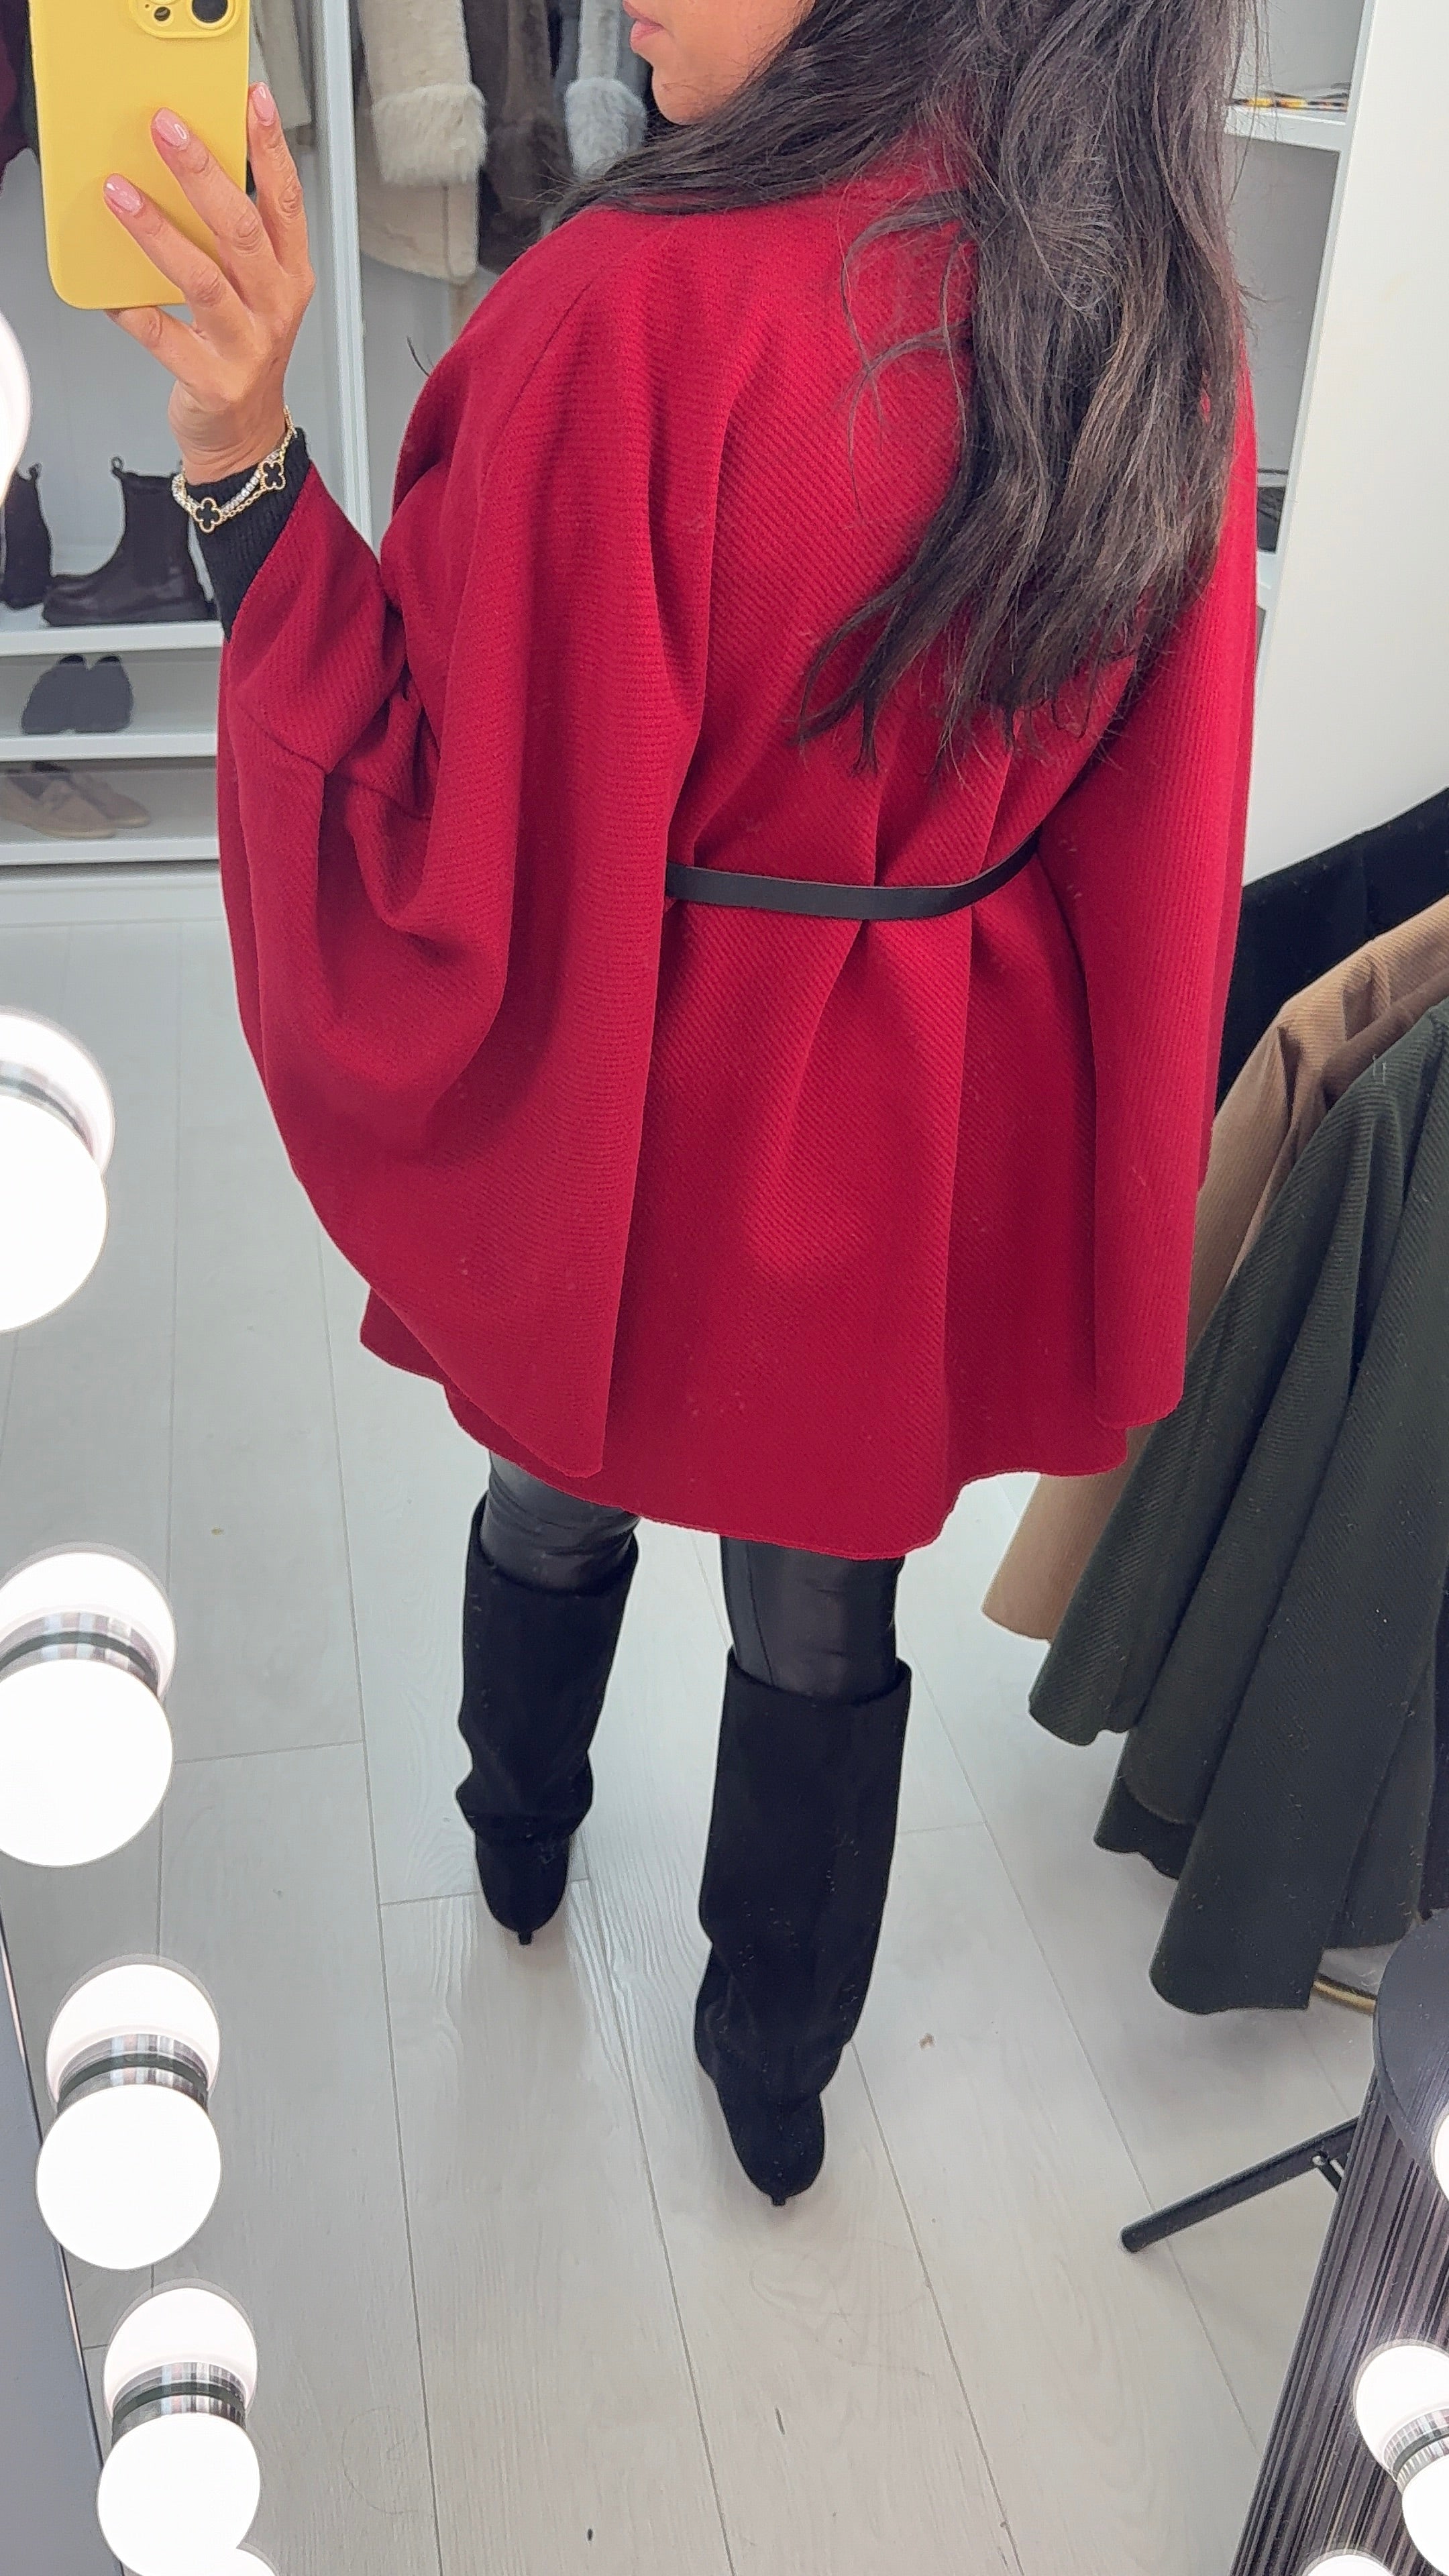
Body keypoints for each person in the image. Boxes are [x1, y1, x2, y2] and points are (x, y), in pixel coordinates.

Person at [107, 0, 1256, 2204]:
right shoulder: (1145, 297)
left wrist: (243, 450)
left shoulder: (622, 309)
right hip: (905, 1122)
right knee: (822, 1610)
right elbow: (1158, 834)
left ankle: (515, 1833)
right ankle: (776, 2052)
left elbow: (428, 798)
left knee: (555, 1489)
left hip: (617, 1094)